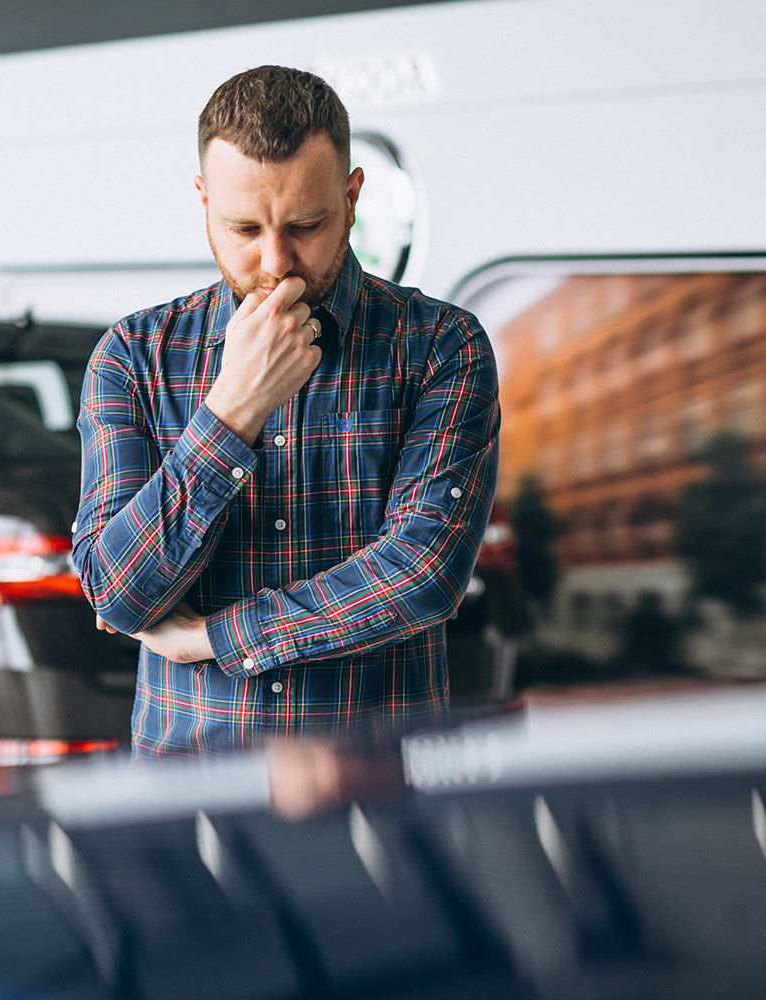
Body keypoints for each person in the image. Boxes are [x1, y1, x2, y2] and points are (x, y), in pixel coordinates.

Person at [74, 66, 500, 756]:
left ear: (353, 196)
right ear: (203, 201)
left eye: (305, 224)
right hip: (190, 809)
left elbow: (423, 573)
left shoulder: (440, 347)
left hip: (377, 801)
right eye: (243, 227)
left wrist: (214, 637)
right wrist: (233, 409)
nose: (276, 262)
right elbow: (119, 596)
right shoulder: (134, 355)